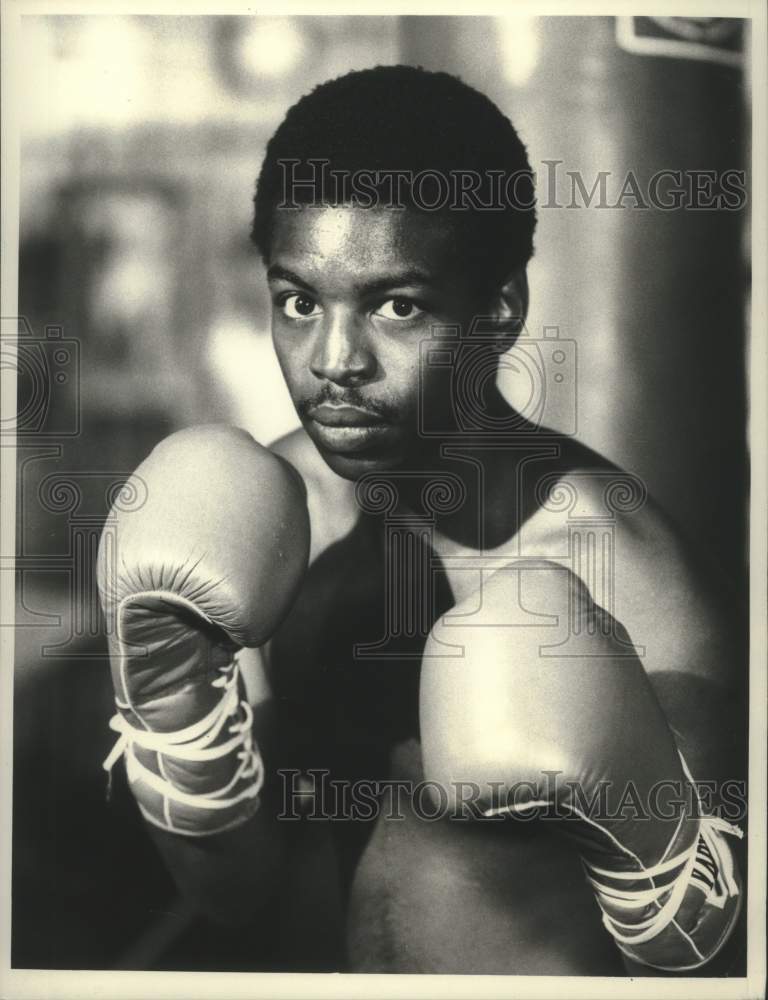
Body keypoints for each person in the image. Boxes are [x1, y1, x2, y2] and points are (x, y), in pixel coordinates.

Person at [98, 66, 746, 975]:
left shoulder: (629, 578)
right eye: (299, 301)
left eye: (396, 306)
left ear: (500, 310)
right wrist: (177, 716)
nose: (333, 361)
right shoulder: (263, 522)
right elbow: (230, 896)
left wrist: (663, 879)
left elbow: (720, 969)